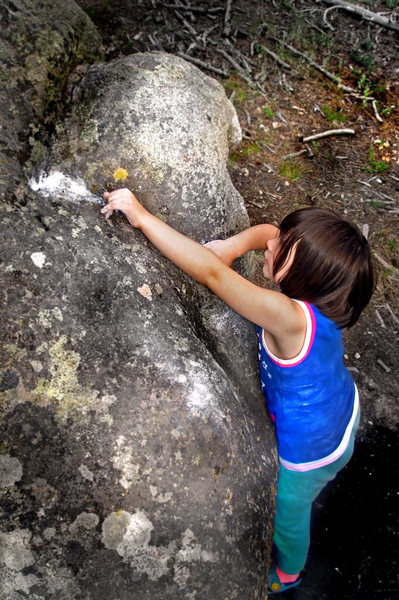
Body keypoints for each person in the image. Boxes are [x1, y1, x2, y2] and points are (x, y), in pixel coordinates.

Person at [101, 188, 375, 595]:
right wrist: (232, 245)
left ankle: (290, 573)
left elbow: (212, 276)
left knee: (289, 515)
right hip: (340, 405)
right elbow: (266, 231)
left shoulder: (288, 317)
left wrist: (141, 217)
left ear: (302, 278)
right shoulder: (316, 301)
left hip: (314, 451)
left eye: (282, 248)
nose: (271, 241)